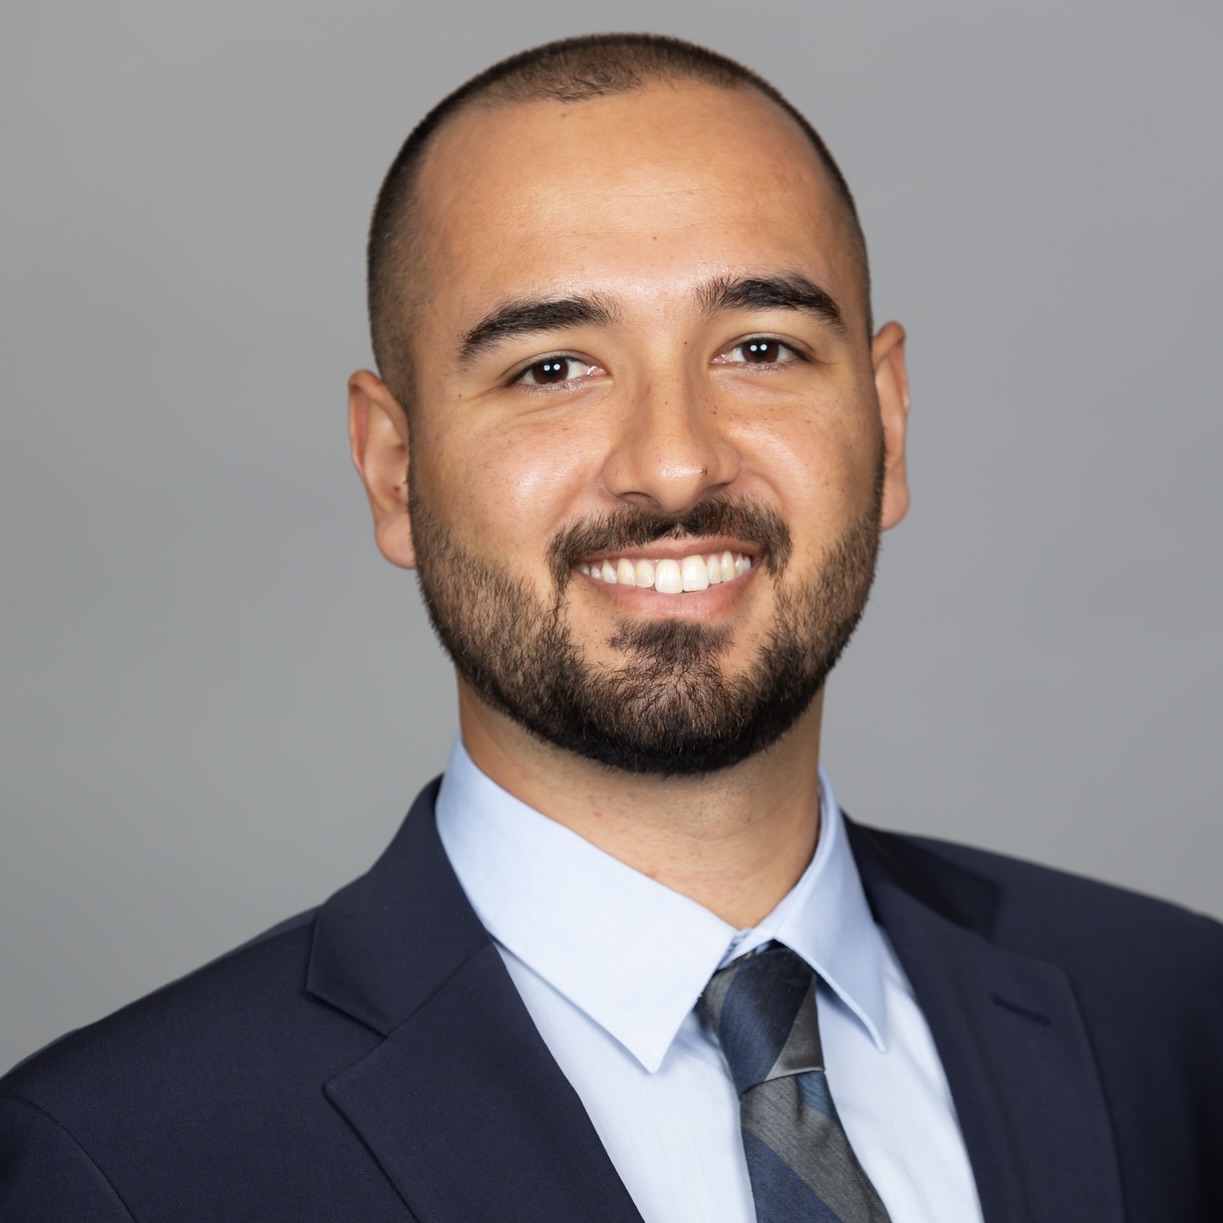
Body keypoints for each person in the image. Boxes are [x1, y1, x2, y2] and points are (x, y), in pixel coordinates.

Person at [1, 31, 1220, 1223]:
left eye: (759, 346)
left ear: (886, 423)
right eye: (550, 368)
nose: (676, 462)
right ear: (392, 468)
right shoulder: (121, 1161)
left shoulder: (1175, 1015)